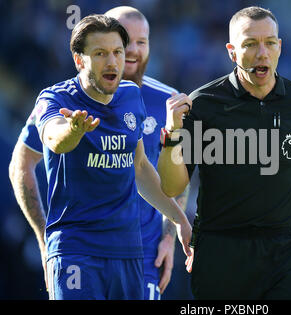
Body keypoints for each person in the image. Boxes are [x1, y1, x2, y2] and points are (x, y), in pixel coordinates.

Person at [157, 6, 291, 300]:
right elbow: (172, 186)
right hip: (220, 252)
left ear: (280, 47)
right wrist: (172, 135)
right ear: (232, 51)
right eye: (250, 44)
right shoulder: (202, 104)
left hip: (285, 252)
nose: (262, 53)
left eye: (269, 43)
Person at [13, 14, 191, 300]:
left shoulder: (132, 96)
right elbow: (54, 139)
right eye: (100, 54)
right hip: (77, 252)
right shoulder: (56, 99)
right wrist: (73, 131)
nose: (113, 62)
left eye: (117, 52)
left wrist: (179, 221)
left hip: (130, 253)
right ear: (79, 60)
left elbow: (141, 167)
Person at [104, 6, 181, 300]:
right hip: (81, 254)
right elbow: (23, 161)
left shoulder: (168, 102)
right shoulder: (68, 98)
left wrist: (168, 236)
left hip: (144, 259)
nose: (134, 51)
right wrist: (45, 235)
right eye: (126, 41)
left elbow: (177, 179)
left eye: (142, 41)